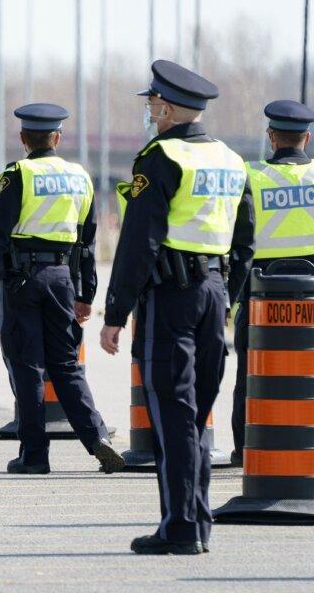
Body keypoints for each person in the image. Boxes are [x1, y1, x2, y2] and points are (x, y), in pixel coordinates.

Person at [99, 60, 255, 556]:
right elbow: (246, 240)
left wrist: (114, 314)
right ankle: (197, 522)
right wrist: (227, 296)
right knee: (195, 413)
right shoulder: (232, 160)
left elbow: (139, 243)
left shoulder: (161, 157)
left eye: (151, 105)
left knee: (173, 414)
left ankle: (180, 527)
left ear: (166, 108)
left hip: (170, 299)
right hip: (213, 294)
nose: (148, 112)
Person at [0, 103, 124, 477]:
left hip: (21, 281)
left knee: (27, 366)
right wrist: (85, 294)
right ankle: (96, 435)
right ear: (57, 137)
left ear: (23, 139)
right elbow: (87, 243)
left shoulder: (17, 174)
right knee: (67, 364)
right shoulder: (80, 177)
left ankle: (34, 455)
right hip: (62, 280)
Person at [231, 100, 314, 466]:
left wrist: (230, 298)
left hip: (261, 290)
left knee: (252, 371)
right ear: (306, 138)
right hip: (311, 286)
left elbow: (239, 241)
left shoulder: (251, 175)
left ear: (270, 137)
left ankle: (245, 447)